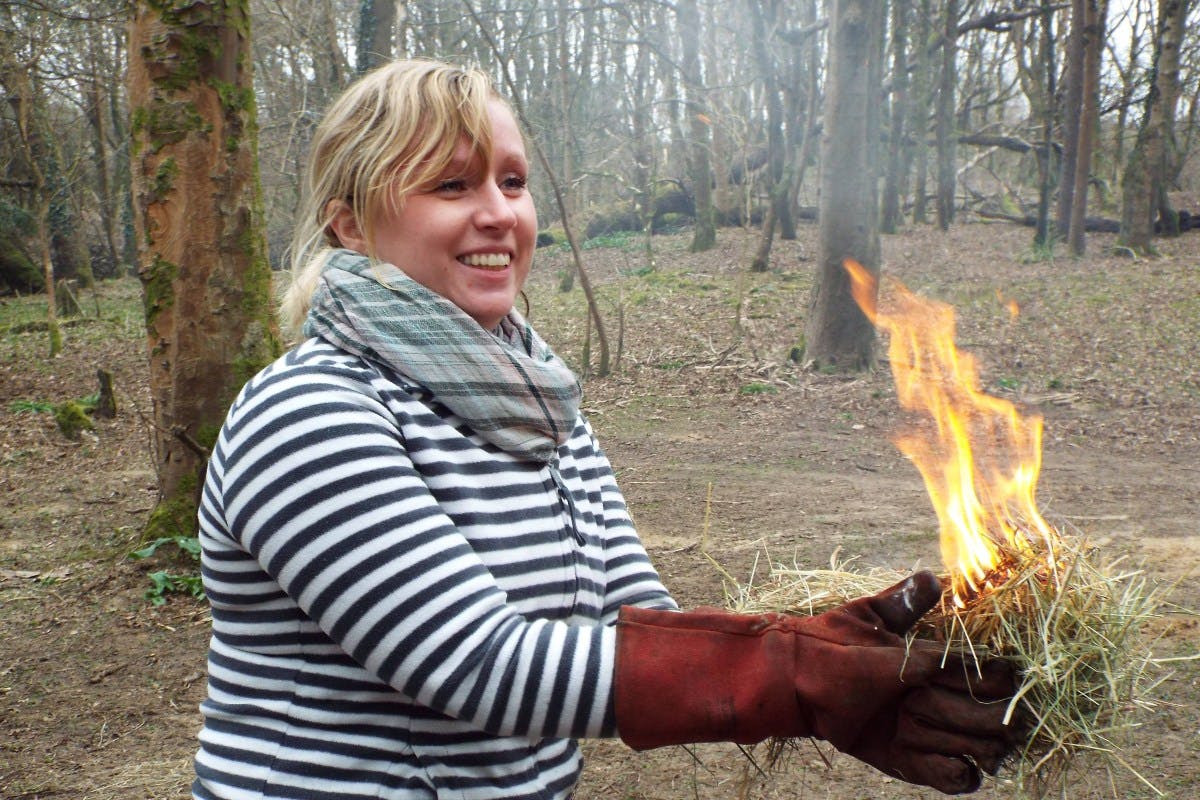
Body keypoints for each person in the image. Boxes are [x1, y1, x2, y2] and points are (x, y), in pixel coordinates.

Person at [192, 58, 1021, 800]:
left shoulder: (540, 404)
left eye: (511, 184)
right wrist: (800, 673)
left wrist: (850, 668)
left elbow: (633, 620)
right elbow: (480, 665)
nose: (497, 214)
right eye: (451, 187)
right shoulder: (308, 414)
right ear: (348, 224)